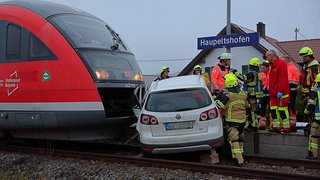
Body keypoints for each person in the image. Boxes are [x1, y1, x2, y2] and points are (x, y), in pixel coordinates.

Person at [214, 73, 249, 166]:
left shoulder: (228, 95)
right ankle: (241, 156)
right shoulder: (243, 94)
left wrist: (216, 98)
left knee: (234, 141)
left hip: (232, 122)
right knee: (241, 140)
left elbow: (220, 105)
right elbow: (247, 106)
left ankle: (239, 160)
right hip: (242, 122)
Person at [231, 57, 264, 132]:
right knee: (254, 110)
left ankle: (252, 125)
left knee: (251, 110)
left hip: (251, 95)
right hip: (255, 95)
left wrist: (234, 71)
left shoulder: (252, 74)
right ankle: (254, 124)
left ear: (251, 66)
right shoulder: (257, 74)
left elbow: (243, 78)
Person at [266, 50, 290, 133]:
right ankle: (276, 127)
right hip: (273, 93)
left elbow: (282, 78)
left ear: (271, 56)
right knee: (274, 110)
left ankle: (286, 127)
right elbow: (272, 79)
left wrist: (280, 91)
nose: (266, 58)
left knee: (282, 110)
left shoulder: (281, 64)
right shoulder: (272, 65)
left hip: (281, 93)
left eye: (267, 56)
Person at [297, 47, 320, 123]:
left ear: (310, 56)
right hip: (307, 94)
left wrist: (312, 94)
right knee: (308, 113)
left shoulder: (314, 67)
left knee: (312, 111)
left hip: (312, 94)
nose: (303, 59)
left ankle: (314, 130)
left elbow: (315, 81)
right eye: (302, 57)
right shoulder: (306, 66)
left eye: (305, 57)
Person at [282, 55, 301, 132]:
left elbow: (288, 82)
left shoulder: (288, 68)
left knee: (289, 107)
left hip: (289, 90)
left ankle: (290, 125)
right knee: (292, 107)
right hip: (294, 90)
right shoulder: (294, 68)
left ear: (286, 60)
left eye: (283, 60)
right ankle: (293, 124)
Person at [303, 73, 320, 160]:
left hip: (317, 121)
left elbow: (310, 106)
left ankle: (313, 155)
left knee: (314, 137)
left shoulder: (316, 92)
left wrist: (305, 113)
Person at [259, 61, 270, 130]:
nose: (262, 69)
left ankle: (272, 124)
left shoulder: (271, 74)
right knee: (262, 110)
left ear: (267, 68)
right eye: (261, 68)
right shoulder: (261, 74)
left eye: (263, 68)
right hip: (263, 94)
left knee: (272, 110)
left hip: (270, 94)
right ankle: (262, 125)